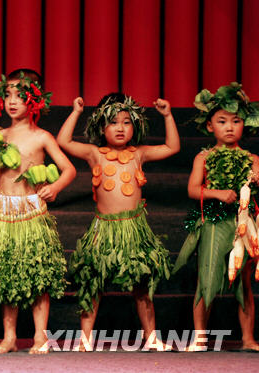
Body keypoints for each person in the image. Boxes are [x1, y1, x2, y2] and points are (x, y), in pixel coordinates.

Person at [56, 93, 179, 351]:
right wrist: (76, 111)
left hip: (134, 229)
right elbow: (63, 141)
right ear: (102, 127)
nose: (121, 128)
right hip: (103, 229)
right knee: (93, 281)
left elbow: (172, 147)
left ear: (135, 126)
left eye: (126, 122)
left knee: (143, 285)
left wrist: (167, 115)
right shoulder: (94, 154)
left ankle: (151, 337)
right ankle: (85, 339)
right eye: (113, 122)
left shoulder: (139, 154)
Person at [0, 69, 76, 354]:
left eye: (20, 95)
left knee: (37, 274)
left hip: (31, 210)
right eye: (8, 94)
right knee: (6, 275)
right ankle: (9, 337)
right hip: (4, 211)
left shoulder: (42, 137)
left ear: (35, 100)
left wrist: (55, 188)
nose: (13, 100)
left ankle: (41, 337)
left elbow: (69, 169)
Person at [173, 82, 259, 351]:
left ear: (245, 124)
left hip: (243, 224)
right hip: (213, 220)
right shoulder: (204, 157)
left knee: (244, 280)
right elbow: (192, 189)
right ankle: (200, 337)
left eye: (236, 121)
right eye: (222, 121)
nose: (230, 127)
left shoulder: (252, 158)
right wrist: (217, 193)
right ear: (210, 126)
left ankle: (247, 338)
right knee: (207, 276)